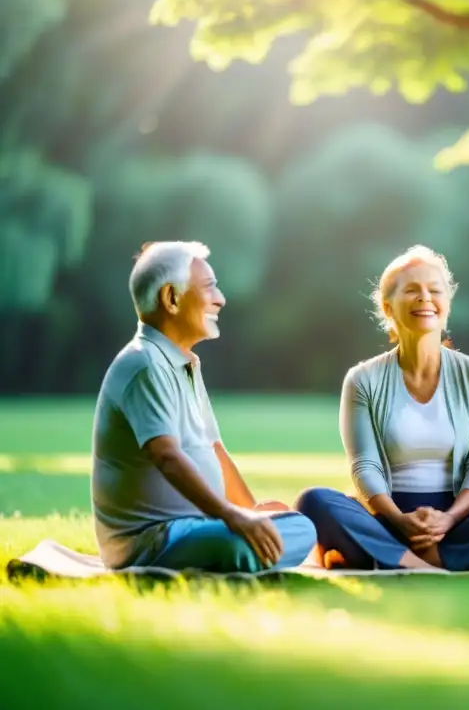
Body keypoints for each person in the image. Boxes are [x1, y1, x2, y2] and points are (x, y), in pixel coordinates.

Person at [296, 245, 469, 572]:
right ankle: (451, 560)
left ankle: (383, 558)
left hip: (457, 518)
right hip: (387, 515)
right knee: (314, 502)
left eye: (434, 290)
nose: (424, 297)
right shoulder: (362, 379)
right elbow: (364, 467)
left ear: (447, 304)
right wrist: (400, 520)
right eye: (412, 290)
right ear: (388, 307)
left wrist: (449, 518)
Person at [92, 241, 317, 572]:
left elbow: (214, 449)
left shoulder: (185, 363)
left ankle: (245, 553)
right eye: (210, 287)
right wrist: (231, 515)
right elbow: (166, 456)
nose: (220, 299)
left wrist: (250, 511)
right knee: (284, 533)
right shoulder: (145, 364)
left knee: (298, 523)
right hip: (154, 540)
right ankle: (239, 555)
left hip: (197, 526)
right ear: (172, 298)